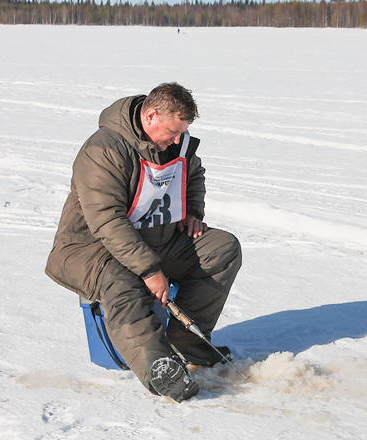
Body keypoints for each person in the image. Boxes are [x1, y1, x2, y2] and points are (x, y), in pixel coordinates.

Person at [45, 82, 242, 402]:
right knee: (123, 280)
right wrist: (149, 269)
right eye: (172, 131)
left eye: (183, 132)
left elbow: (194, 174)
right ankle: (159, 367)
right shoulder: (103, 149)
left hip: (158, 239)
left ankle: (188, 344)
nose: (178, 140)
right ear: (150, 116)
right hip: (92, 247)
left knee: (222, 249)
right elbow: (107, 220)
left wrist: (192, 212)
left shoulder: (177, 145)